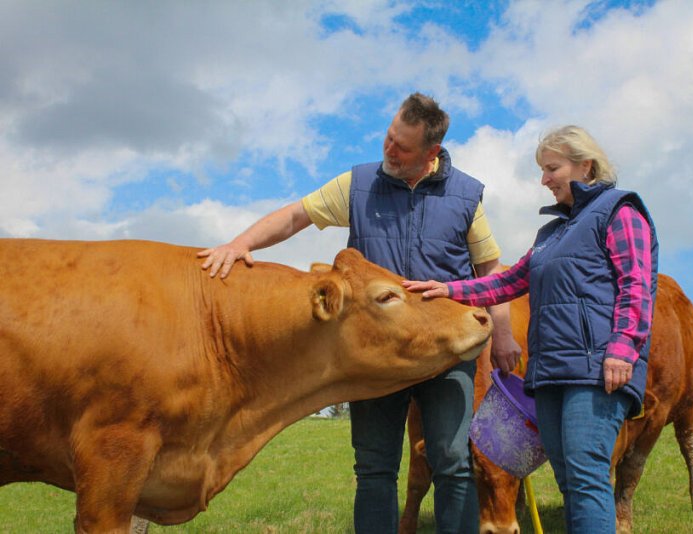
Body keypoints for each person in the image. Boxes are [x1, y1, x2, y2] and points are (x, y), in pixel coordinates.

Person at [197, 92, 521, 534]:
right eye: (389, 137)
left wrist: (501, 334)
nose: (389, 150)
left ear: (431, 153)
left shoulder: (465, 195)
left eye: (402, 147)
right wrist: (240, 245)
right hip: (378, 353)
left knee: (452, 461)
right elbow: (295, 217)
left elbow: (489, 270)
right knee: (374, 468)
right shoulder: (359, 183)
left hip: (446, 348)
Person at [404, 125, 658, 534]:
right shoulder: (552, 233)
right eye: (542, 170)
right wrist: (448, 289)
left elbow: (637, 283)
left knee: (588, 476)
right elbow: (505, 282)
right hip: (551, 374)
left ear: (585, 165)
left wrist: (624, 346)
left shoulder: (619, 211)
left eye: (551, 168)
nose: (544, 180)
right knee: (571, 481)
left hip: (596, 371)